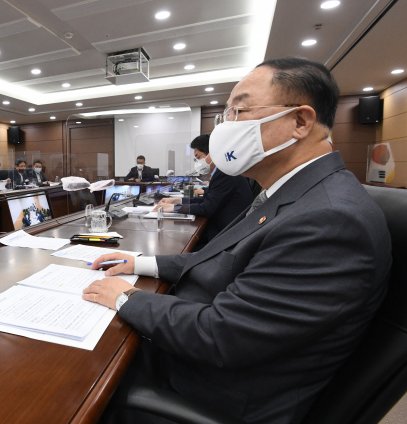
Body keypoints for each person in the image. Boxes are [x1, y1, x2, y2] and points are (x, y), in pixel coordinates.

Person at [84, 57, 392, 424]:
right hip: (193, 360)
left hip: (211, 392)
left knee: (70, 377)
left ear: (300, 121)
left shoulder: (330, 219)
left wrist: (125, 297)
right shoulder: (293, 192)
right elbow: (218, 257)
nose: (226, 128)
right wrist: (141, 263)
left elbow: (221, 335)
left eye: (239, 111)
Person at [154, 134, 253, 243]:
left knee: (179, 240)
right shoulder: (221, 172)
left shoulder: (225, 173)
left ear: (211, 154)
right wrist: (176, 200)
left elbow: (207, 208)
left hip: (227, 234)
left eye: (198, 157)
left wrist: (173, 208)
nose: (197, 162)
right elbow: (207, 199)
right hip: (225, 226)